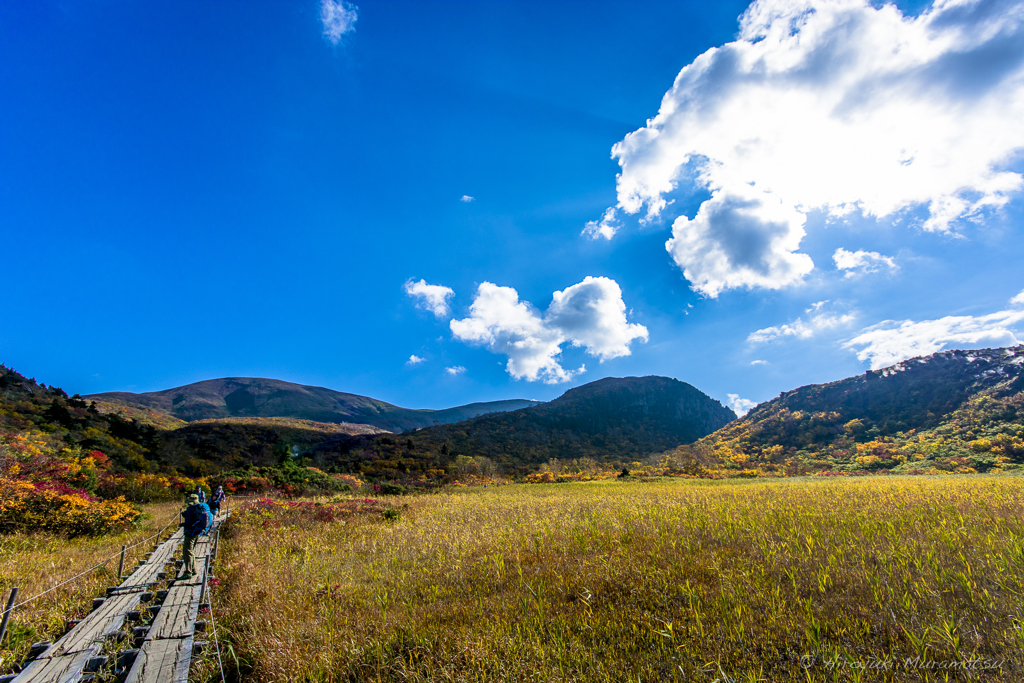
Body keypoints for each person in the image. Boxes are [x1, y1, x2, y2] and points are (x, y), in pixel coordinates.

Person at [179, 494, 211, 580]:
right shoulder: (199, 508)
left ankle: (188, 572)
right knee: (191, 550)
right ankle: (193, 569)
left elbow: (188, 523)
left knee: (187, 551)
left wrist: (182, 524)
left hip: (190, 532)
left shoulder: (190, 509)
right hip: (197, 532)